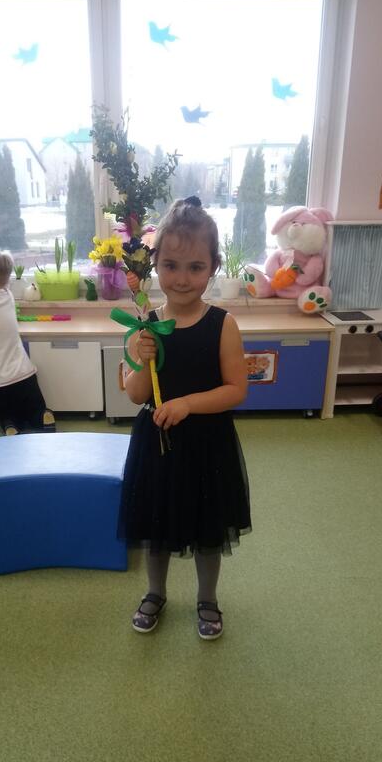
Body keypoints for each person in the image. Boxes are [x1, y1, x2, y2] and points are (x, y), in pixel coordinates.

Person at [119, 196, 251, 641]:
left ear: (213, 267)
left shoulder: (222, 324)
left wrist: (188, 404)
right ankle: (155, 592)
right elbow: (136, 394)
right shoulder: (145, 325)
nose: (181, 278)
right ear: (155, 264)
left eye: (196, 267)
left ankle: (207, 598)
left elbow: (236, 390)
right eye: (171, 265)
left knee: (208, 528)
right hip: (156, 442)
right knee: (155, 524)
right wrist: (141, 358)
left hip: (207, 443)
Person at [0, 247, 55, 436]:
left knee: (8, 413)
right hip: (25, 372)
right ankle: (42, 416)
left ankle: (11, 425)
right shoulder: (8, 296)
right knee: (35, 407)